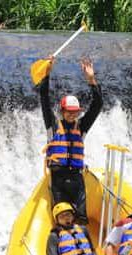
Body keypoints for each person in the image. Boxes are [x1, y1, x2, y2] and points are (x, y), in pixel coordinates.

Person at [39, 56, 102, 225]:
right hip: (58, 179)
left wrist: (91, 80)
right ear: (62, 111)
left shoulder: (81, 127)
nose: (72, 114)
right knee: (61, 218)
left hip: (76, 178)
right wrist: (46, 74)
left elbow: (98, 105)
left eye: (75, 112)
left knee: (80, 218)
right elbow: (44, 100)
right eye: (68, 111)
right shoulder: (52, 126)